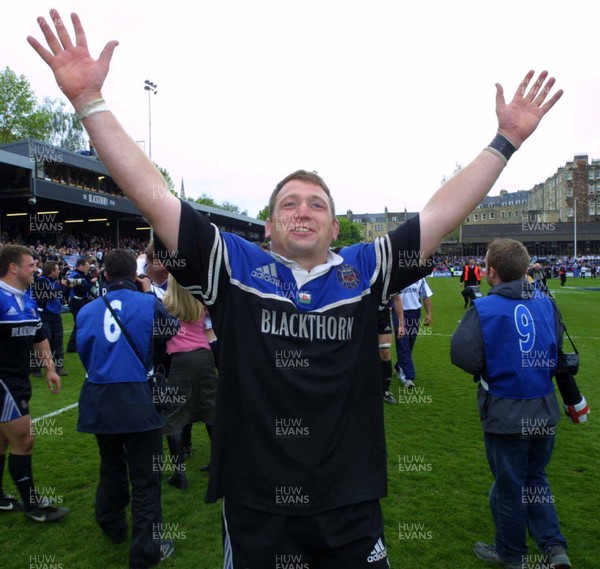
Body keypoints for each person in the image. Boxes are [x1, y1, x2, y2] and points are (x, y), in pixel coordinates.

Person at [29, 11, 563, 567]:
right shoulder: (233, 267)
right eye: (289, 203)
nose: (302, 211)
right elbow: (155, 196)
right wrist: (90, 101)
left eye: (317, 205)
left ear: (335, 228)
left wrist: (506, 140)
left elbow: (441, 211)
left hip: (349, 497)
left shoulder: (365, 269)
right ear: (268, 226)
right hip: (257, 500)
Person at [450, 239, 586, 569]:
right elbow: (557, 359)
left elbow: (463, 357)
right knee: (536, 479)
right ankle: (554, 548)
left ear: (491, 272)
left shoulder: (483, 309)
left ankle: (511, 554)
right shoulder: (545, 301)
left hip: (506, 411)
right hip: (543, 408)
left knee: (509, 488)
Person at [76, 249, 179, 568]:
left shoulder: (87, 310)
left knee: (111, 466)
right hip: (137, 400)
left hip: (100, 400)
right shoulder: (148, 302)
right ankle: (145, 551)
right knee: (146, 479)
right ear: (135, 276)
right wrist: (151, 295)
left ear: (105, 275)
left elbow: (84, 353)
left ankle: (112, 523)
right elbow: (170, 331)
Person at [0, 245, 69, 522]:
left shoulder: (28, 300)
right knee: (25, 439)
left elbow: (39, 337)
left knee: (3, 440)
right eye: (31, 265)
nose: (35, 269)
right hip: (3, 383)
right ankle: (33, 506)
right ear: (13, 267)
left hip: (19, 380)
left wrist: (50, 369)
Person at [161, 274, 217, 490]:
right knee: (211, 409)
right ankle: (217, 464)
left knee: (174, 415)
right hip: (204, 356)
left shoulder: (166, 304)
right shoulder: (200, 300)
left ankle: (179, 473)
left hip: (180, 359)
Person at [392, 278, 433, 389]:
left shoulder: (420, 278)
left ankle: (399, 366)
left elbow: (426, 296)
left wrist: (429, 314)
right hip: (399, 313)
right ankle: (408, 377)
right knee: (403, 343)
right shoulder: (397, 275)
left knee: (409, 344)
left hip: (415, 313)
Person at [32, 261, 70, 376]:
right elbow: (53, 295)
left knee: (57, 341)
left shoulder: (54, 281)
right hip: (45, 316)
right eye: (57, 269)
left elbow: (61, 296)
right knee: (43, 342)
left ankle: (59, 366)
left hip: (55, 315)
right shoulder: (42, 281)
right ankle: (36, 368)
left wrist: (66, 287)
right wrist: (63, 286)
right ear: (52, 271)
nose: (59, 271)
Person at [66, 256, 97, 352]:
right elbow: (84, 289)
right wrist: (91, 283)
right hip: (77, 301)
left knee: (81, 323)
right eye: (86, 266)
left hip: (78, 301)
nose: (87, 268)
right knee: (79, 323)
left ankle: (76, 345)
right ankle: (72, 346)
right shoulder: (76, 276)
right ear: (81, 266)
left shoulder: (77, 275)